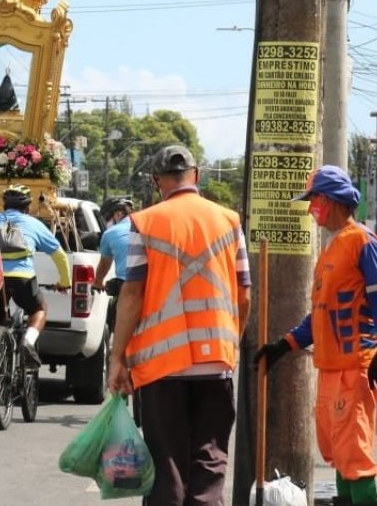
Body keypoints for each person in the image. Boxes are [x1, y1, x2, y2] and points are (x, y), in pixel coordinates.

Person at [108, 145, 250, 506]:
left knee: (167, 468)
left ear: (157, 181)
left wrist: (117, 357)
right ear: (196, 175)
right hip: (216, 364)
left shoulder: (145, 222)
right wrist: (230, 344)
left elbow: (132, 293)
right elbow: (245, 294)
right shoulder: (229, 221)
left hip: (161, 367)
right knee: (209, 464)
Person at [257, 165, 377, 506]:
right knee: (338, 452)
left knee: (354, 456)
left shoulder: (362, 242)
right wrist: (285, 345)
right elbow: (322, 313)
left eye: (313, 201)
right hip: (330, 370)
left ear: (329, 200)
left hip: (355, 367)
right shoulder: (330, 250)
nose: (310, 209)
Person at [0, 184, 71, 366]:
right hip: (23, 278)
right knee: (39, 309)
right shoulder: (34, 224)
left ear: (4, 206)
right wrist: (64, 283)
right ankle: (28, 341)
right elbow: (60, 256)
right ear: (27, 208)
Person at [94, 196, 136, 293]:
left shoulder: (110, 233)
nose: (107, 222)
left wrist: (98, 283)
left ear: (118, 214)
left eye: (108, 218)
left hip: (128, 287)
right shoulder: (145, 225)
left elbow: (104, 265)